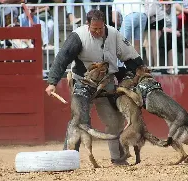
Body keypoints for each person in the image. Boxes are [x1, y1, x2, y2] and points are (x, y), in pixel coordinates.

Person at [45, 9, 144, 165]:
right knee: (79, 120)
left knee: (114, 121)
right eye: (94, 29)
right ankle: (68, 159)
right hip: (82, 82)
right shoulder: (78, 36)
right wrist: (52, 82)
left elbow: (130, 56)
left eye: (100, 28)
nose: (98, 31)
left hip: (106, 83)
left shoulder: (114, 34)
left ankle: (118, 159)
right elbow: (62, 58)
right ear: (87, 24)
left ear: (104, 24)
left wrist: (141, 71)